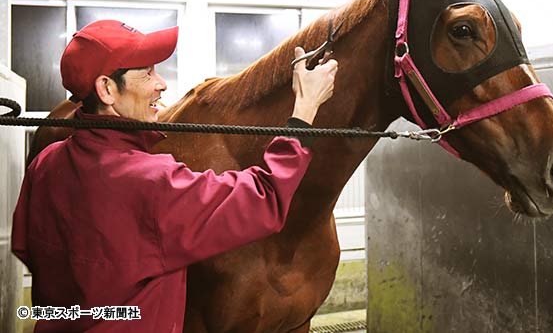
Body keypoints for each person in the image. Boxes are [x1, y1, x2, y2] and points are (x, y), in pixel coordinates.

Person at [11, 19, 338, 332]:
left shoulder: (46, 164)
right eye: (147, 73)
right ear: (107, 89)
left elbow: (24, 246)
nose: (161, 84)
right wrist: (305, 110)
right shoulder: (150, 180)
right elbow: (264, 197)